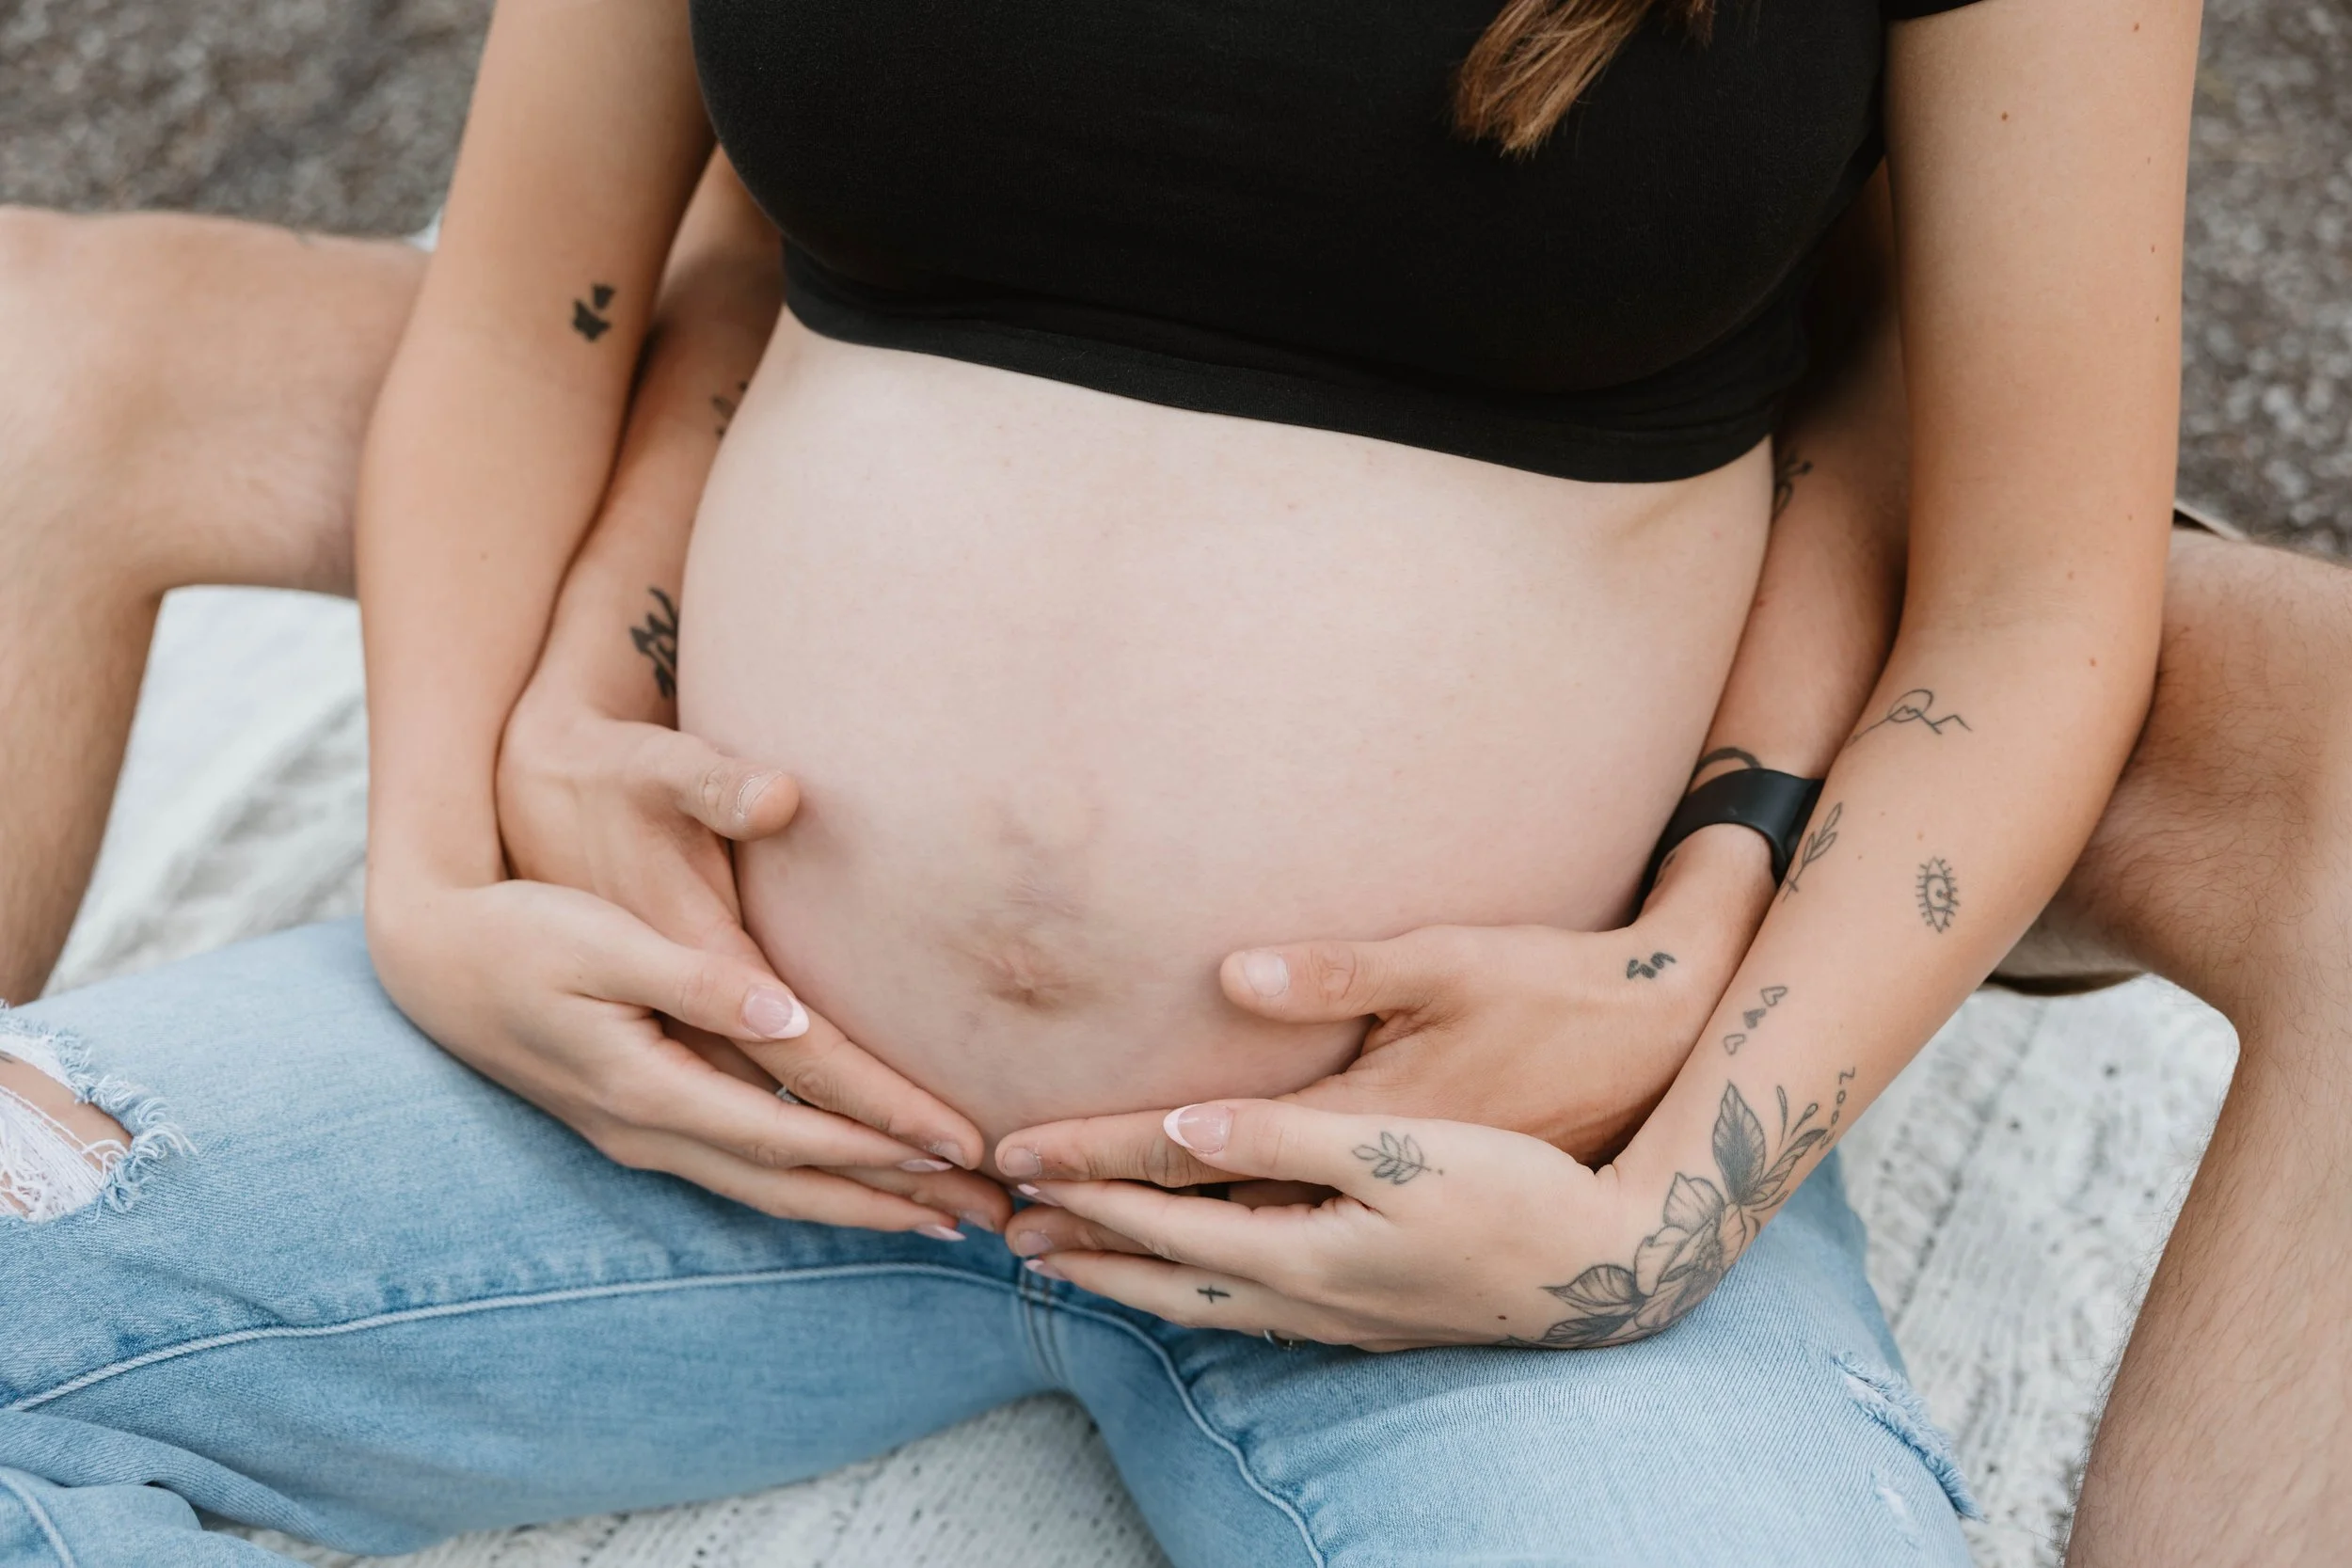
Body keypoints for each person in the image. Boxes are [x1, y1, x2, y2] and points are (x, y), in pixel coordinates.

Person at [3, 1, 2328, 1563]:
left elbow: (2031, 599)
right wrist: (429, 872)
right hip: (695, 1081)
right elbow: (524, 306)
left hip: (1460, 1206)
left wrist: (1663, 1212)